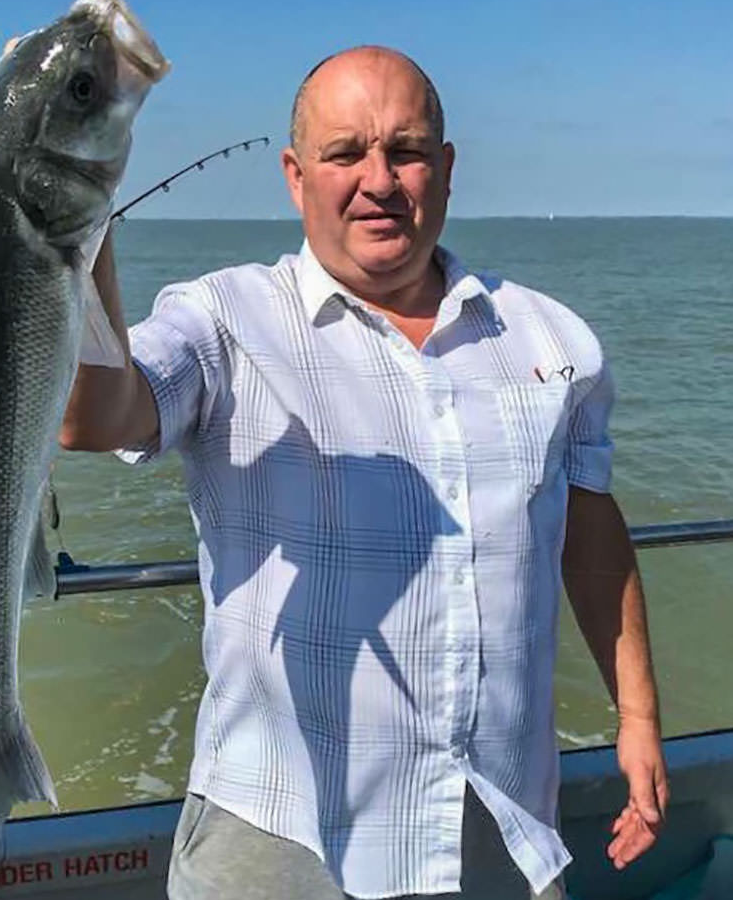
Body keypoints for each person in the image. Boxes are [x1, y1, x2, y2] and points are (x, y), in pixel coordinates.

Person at [61, 45, 668, 899]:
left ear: (446, 169)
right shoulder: (223, 319)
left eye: (406, 150)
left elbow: (589, 529)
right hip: (278, 830)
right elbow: (92, 415)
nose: (378, 179)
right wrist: (75, 216)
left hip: (495, 822)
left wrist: (637, 717)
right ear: (295, 174)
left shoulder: (550, 338)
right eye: (345, 152)